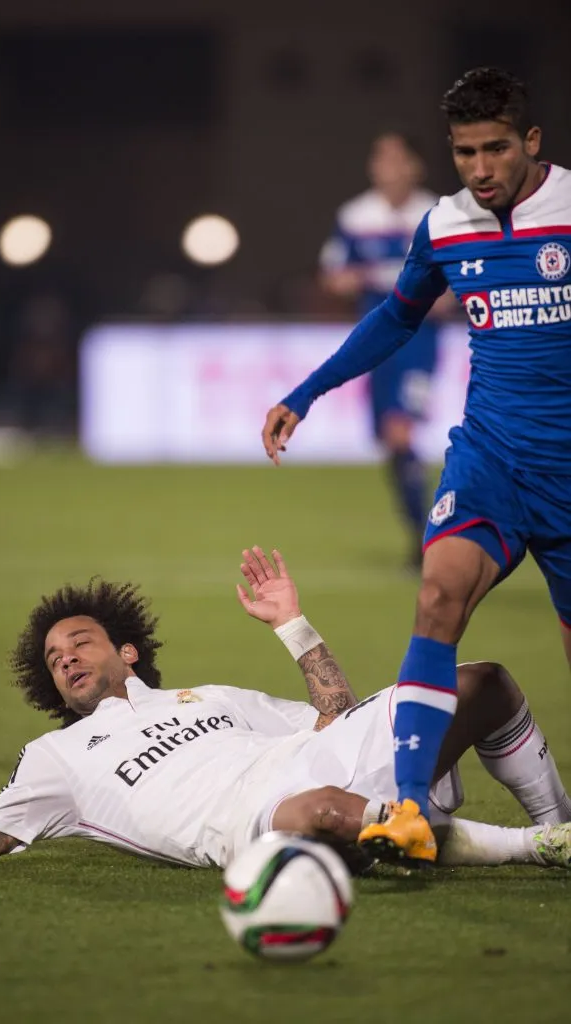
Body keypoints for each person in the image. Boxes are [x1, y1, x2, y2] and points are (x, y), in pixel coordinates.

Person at [261, 66, 571, 864]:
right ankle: (404, 804)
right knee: (437, 595)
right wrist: (309, 389)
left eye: (496, 148)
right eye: (465, 152)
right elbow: (394, 317)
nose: (481, 168)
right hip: (492, 459)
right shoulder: (447, 224)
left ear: (530, 141)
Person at [0, 547, 570, 875]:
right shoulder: (57, 761)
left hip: (310, 759)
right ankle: (539, 851)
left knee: (481, 683)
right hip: (249, 822)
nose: (64, 657)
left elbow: (333, 717)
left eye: (79, 642)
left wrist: (294, 626)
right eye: (52, 656)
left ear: (125, 651)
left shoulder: (213, 699)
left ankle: (558, 824)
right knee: (327, 807)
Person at [318, 132, 442, 569]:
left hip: (420, 341)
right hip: (375, 342)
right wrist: (357, 278)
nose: (387, 169)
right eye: (381, 160)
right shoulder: (356, 216)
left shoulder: (438, 214)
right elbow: (333, 276)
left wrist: (445, 298)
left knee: (400, 431)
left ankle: (431, 537)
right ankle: (419, 529)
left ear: (415, 166)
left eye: (396, 160)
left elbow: (456, 284)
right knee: (391, 444)